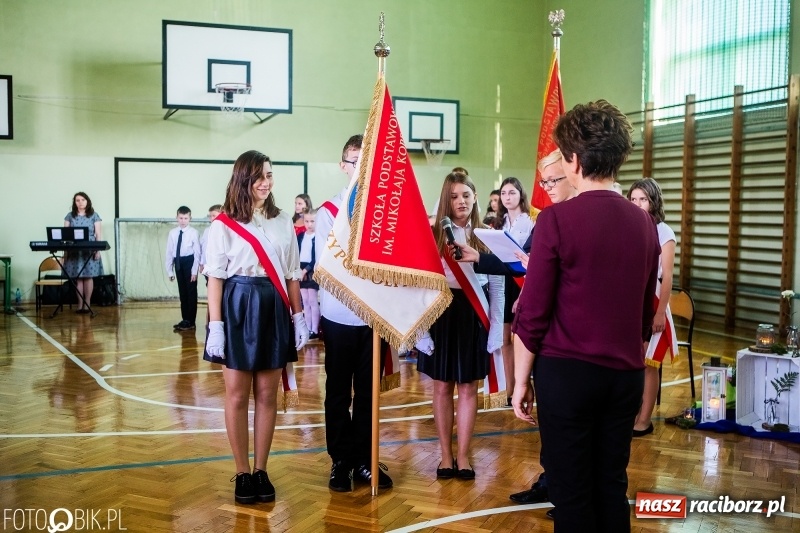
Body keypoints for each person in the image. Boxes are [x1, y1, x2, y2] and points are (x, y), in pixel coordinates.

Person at [512, 100, 660, 532]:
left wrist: (520, 381)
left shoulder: (556, 219)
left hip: (569, 376)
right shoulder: (644, 223)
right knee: (611, 487)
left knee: (572, 493)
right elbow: (644, 310)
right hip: (624, 376)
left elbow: (533, 313)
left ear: (574, 160)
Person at [455, 150, 576, 509]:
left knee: (570, 422)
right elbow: (525, 263)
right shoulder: (549, 219)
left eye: (553, 180)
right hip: (550, 336)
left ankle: (569, 495)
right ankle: (551, 480)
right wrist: (479, 257)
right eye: (544, 181)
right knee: (552, 419)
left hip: (569, 336)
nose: (547, 187)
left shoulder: (560, 219)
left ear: (575, 171)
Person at [203, 149, 309, 504]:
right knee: (236, 395)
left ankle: (261, 469)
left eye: (269, 175)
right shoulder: (223, 224)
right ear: (243, 179)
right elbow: (215, 279)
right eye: (259, 176)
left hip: (273, 305)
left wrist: (299, 317)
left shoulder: (282, 221)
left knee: (267, 394)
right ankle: (242, 471)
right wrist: (216, 326)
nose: (266, 182)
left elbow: (291, 274)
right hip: (237, 305)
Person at [316, 134, 393, 492]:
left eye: (367, 160)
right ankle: (340, 460)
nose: (360, 167)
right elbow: (328, 266)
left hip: (373, 317)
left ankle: (365, 457)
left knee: (368, 393)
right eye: (354, 160)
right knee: (337, 391)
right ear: (343, 166)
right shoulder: (328, 212)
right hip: (339, 314)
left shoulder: (384, 211)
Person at [418, 170, 504, 481]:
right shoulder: (433, 234)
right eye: (454, 196)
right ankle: (445, 454)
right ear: (446, 200)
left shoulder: (487, 234)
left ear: (475, 197)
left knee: (468, 386)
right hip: (441, 312)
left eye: (466, 195)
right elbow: (420, 284)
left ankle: (464, 455)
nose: (461, 201)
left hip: (473, 314)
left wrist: (497, 327)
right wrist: (421, 329)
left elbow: (497, 285)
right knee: (442, 385)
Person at [628, 177, 677, 437]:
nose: (637, 204)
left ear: (653, 201)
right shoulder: (628, 227)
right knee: (633, 361)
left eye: (643, 199)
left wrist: (659, 313)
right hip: (633, 301)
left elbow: (666, 276)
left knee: (649, 364)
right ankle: (633, 412)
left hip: (655, 301)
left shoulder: (663, 231)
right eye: (633, 199)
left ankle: (645, 420)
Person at [491, 177, 533, 406]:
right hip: (502, 283)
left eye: (512, 193)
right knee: (505, 336)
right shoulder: (499, 223)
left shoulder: (531, 221)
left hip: (523, 282)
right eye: (504, 193)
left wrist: (524, 293)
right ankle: (509, 387)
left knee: (522, 337)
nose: (507, 197)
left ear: (520, 195)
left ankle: (523, 384)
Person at [63, 192, 103, 314]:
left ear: (87, 201)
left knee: (88, 276)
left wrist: (97, 250)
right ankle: (80, 304)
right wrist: (65, 253)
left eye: (83, 200)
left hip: (89, 249)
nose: (80, 202)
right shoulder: (70, 216)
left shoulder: (94, 215)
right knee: (78, 277)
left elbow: (98, 234)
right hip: (74, 250)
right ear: (74, 203)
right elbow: (65, 235)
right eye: (77, 200)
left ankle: (87, 303)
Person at [165, 206, 201, 331]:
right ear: (177, 218)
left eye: (186, 218)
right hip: (178, 263)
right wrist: (170, 271)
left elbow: (197, 253)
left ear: (190, 218)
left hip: (189, 262)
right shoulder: (173, 233)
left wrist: (194, 271)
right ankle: (185, 319)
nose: (183, 221)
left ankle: (191, 321)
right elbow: (169, 252)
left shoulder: (194, 232)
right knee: (183, 293)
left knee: (191, 293)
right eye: (181, 218)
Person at [298, 208, 320, 340]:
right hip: (301, 269)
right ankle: (307, 328)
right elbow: (296, 253)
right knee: (305, 301)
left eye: (312, 221)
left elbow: (316, 257)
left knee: (312, 300)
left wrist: (305, 270)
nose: (309, 224)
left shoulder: (317, 237)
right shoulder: (301, 236)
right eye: (307, 221)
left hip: (311, 270)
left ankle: (315, 329)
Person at [199, 204, 223, 277]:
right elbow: (203, 247)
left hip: (219, 267)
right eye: (210, 216)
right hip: (207, 265)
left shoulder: (225, 231)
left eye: (214, 215)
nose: (212, 218)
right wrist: (202, 263)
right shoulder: (207, 230)